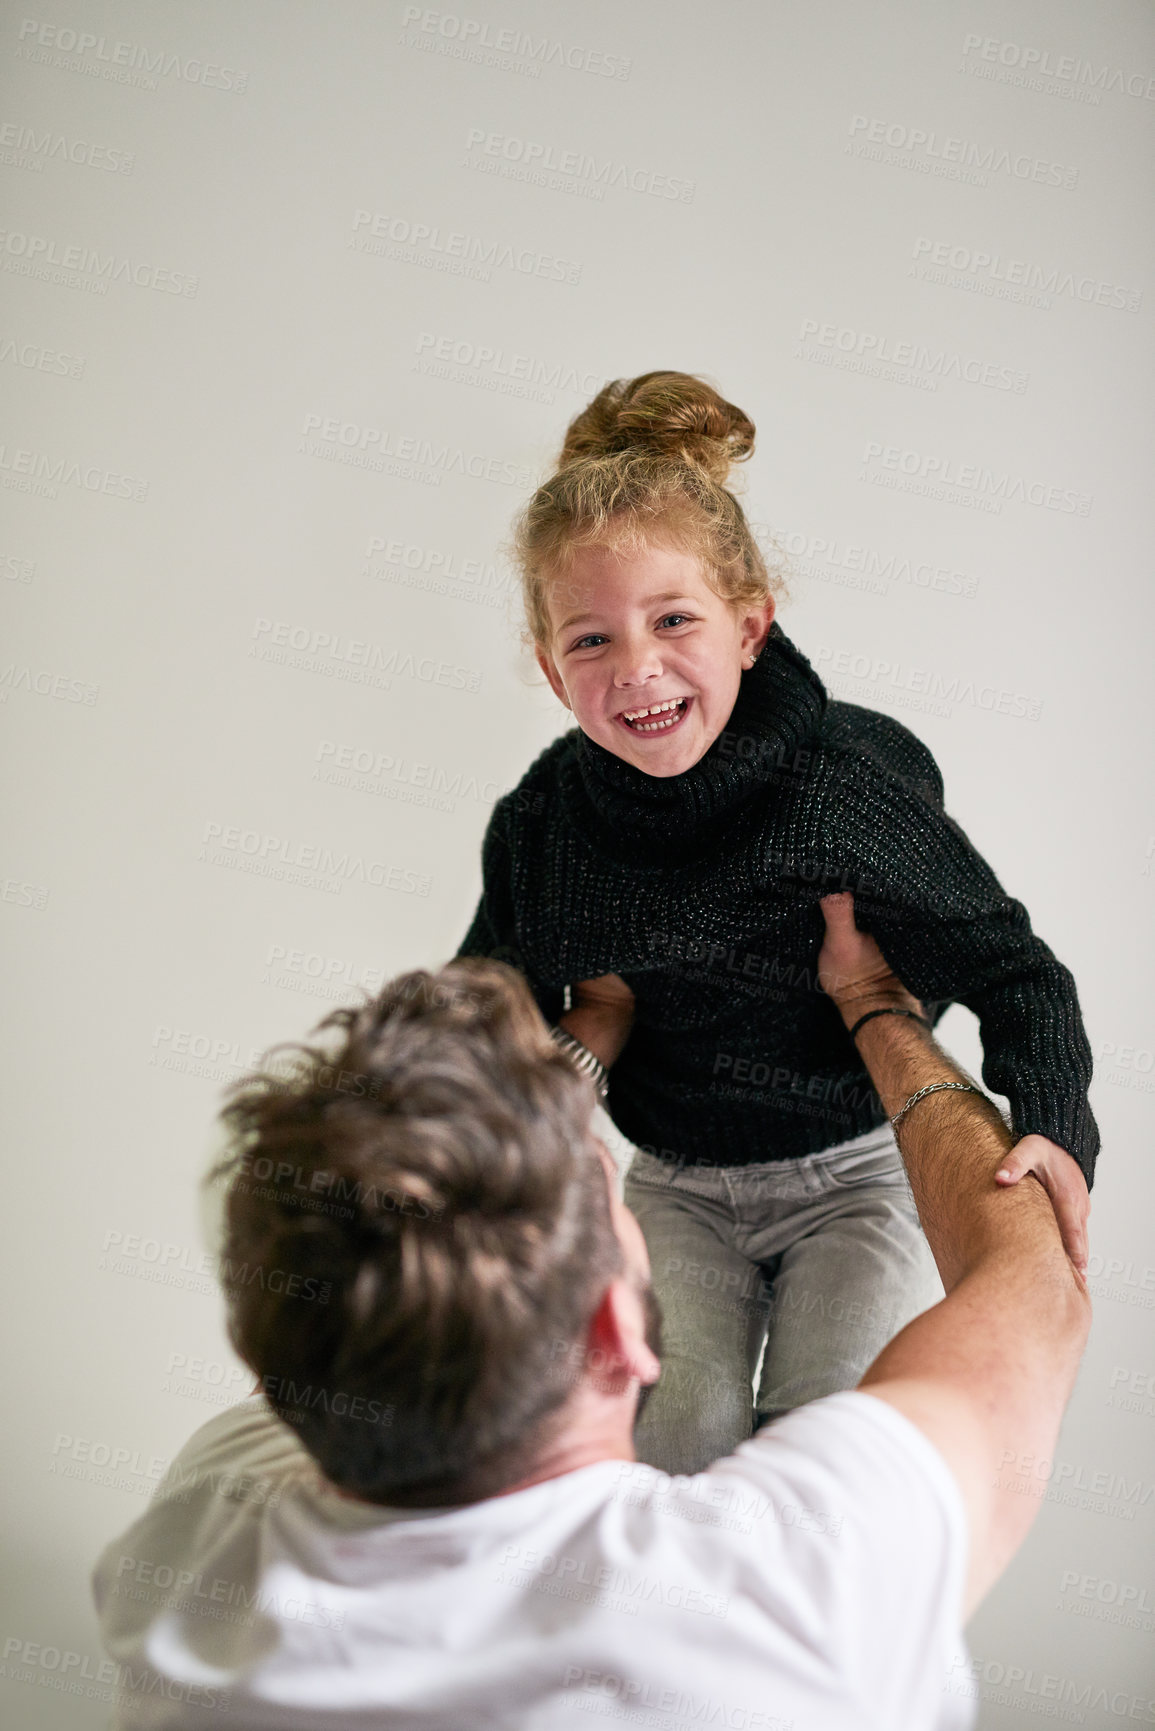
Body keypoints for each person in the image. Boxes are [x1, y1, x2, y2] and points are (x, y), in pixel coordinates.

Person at [91, 902, 1091, 1729]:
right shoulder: (792, 1597)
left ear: (264, 1370)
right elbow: (1034, 1285)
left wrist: (597, 1024)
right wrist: (878, 1006)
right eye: (614, 1196)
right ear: (617, 1330)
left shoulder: (186, 1546)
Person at [455, 368, 1097, 1472]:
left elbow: (1013, 965)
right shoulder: (544, 826)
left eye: (673, 621)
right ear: (554, 673)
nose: (638, 669)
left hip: (852, 1166)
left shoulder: (841, 792)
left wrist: (1053, 1118)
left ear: (750, 626)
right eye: (592, 641)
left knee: (818, 1441)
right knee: (683, 1438)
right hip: (679, 1180)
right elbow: (485, 995)